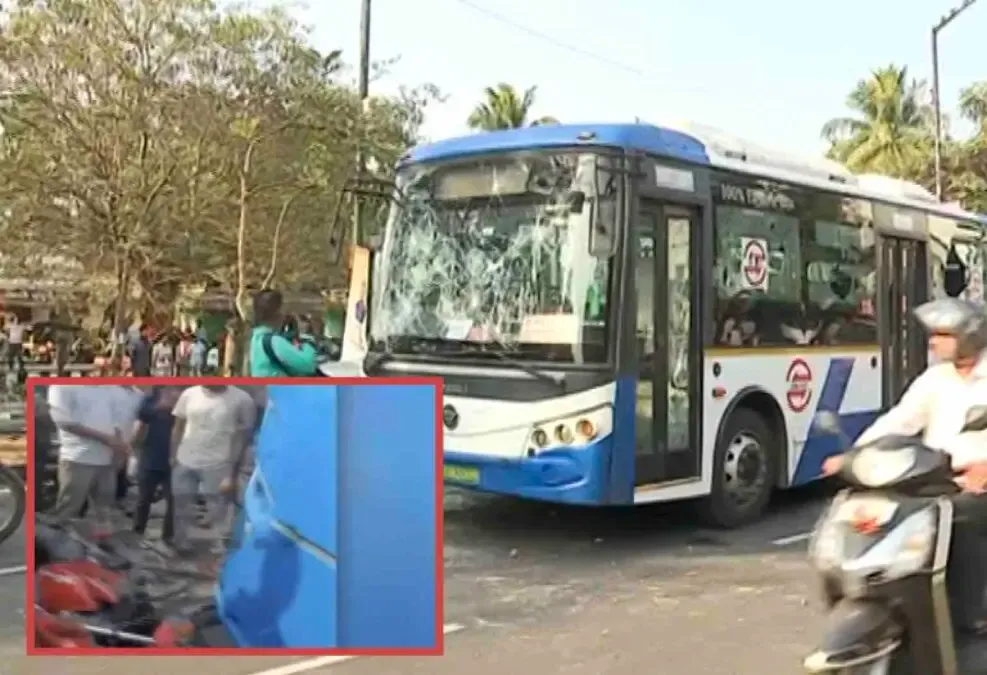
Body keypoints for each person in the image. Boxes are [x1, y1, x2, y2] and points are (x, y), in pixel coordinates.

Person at [822, 297, 987, 634]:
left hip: (975, 483)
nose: (933, 342)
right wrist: (855, 455)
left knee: (963, 516)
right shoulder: (935, 378)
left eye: (943, 335)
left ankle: (972, 614)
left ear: (969, 336)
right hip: (935, 475)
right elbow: (899, 420)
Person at [169, 384, 256, 554]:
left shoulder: (242, 399)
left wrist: (232, 470)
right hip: (185, 460)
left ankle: (219, 546)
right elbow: (178, 426)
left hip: (218, 463)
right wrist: (172, 455)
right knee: (181, 504)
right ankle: (182, 542)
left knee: (218, 507)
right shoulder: (189, 394)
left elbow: (244, 437)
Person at [47, 384, 137, 532]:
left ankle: (101, 540)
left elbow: (118, 423)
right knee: (68, 508)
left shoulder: (112, 389)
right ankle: (59, 541)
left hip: (107, 460)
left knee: (104, 510)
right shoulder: (62, 386)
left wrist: (119, 450)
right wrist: (106, 439)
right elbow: (64, 422)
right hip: (77, 458)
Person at [131, 386, 180, 543]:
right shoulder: (150, 399)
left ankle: (169, 536)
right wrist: (159, 406)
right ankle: (137, 531)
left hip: (175, 459)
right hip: (150, 457)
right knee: (143, 498)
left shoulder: (185, 398)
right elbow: (141, 419)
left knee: (173, 500)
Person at [249, 289, 321, 377]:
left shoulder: (257, 338)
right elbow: (309, 365)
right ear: (277, 312)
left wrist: (290, 334)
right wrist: (306, 335)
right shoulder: (273, 341)